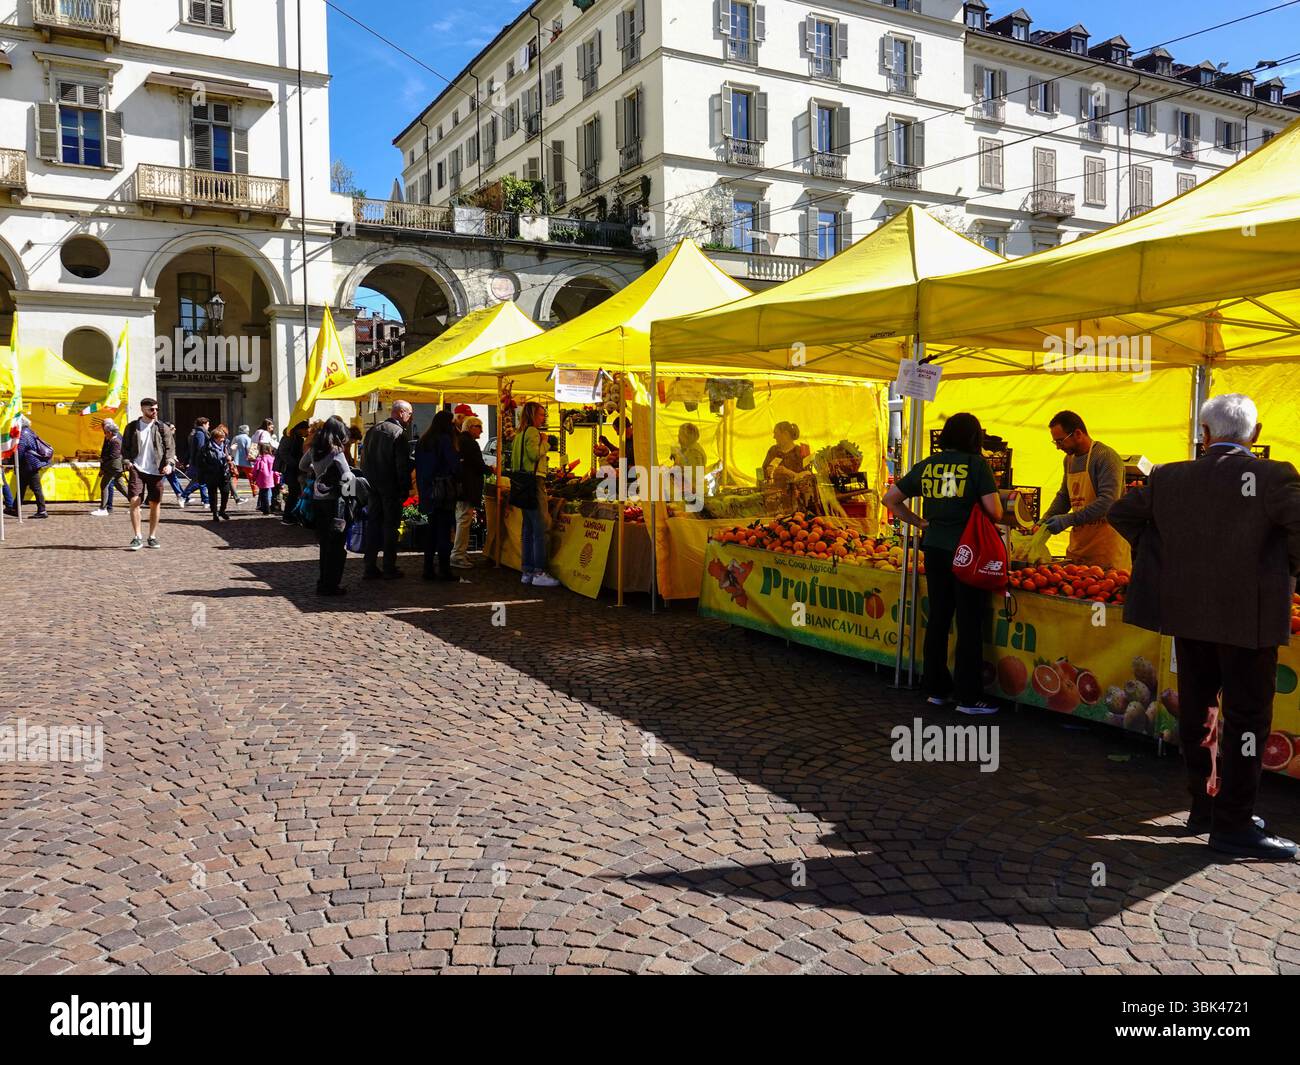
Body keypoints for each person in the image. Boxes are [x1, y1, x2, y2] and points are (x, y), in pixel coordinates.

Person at [1109, 394, 1300, 860]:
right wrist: (1285, 570)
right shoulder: (1274, 475)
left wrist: (1161, 555)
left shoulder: (1169, 476)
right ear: (1255, 436)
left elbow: (1121, 513)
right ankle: (1232, 821)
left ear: (1205, 434)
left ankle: (1205, 806)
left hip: (1188, 613)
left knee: (1199, 710)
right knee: (1247, 718)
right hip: (1248, 619)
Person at [884, 412, 1004, 716]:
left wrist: (921, 523)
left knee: (938, 617)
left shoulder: (928, 465)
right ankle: (968, 697)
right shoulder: (977, 465)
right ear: (974, 438)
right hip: (969, 552)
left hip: (935, 548)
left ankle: (936, 689)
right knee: (968, 621)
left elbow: (891, 499)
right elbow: (996, 511)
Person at [1041, 410, 1131, 571]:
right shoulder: (1069, 459)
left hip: (1106, 549)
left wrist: (1067, 520)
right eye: (1056, 443)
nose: (1058, 447)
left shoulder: (1105, 457)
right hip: (1079, 547)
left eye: (1061, 441)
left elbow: (1107, 503)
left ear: (1077, 433)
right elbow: (1064, 496)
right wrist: (1045, 520)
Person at [300, 415, 356, 597]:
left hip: (318, 500)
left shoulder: (315, 449)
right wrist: (353, 494)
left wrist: (318, 474)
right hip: (334, 502)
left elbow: (302, 465)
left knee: (324, 544)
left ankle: (322, 582)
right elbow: (348, 476)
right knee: (337, 544)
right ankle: (332, 584)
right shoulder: (336, 451)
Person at [361, 400, 414, 579]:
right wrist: (405, 487)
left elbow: (364, 459)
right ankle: (389, 566)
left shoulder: (373, 430)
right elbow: (402, 466)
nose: (410, 417)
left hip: (372, 485)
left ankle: (370, 565)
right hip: (390, 487)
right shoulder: (398, 433)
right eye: (409, 413)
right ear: (400, 413)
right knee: (390, 526)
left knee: (374, 525)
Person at [511, 401, 560, 587]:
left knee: (528, 528)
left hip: (521, 483)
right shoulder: (532, 432)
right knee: (541, 528)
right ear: (532, 415)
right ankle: (539, 571)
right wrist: (545, 443)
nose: (543, 418)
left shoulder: (519, 434)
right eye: (541, 414)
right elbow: (533, 455)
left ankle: (527, 570)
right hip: (534, 482)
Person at [121, 397, 177, 550]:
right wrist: (127, 462)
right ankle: (137, 536)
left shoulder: (162, 427)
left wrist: (169, 464)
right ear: (142, 409)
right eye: (151, 409)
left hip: (157, 470)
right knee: (134, 501)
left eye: (156, 409)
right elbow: (124, 447)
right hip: (137, 469)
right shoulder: (132, 427)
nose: (155, 412)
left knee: (155, 503)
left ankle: (152, 536)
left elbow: (170, 448)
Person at [416, 410, 462, 581]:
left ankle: (428, 568)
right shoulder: (444, 440)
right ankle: (444, 569)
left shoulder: (424, 440)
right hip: (443, 492)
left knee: (432, 531)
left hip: (428, 491)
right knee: (443, 531)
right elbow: (453, 465)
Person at [451, 416, 488, 569]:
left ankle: (460, 552)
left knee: (462, 519)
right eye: (479, 426)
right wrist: (490, 469)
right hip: (467, 488)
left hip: (461, 488)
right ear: (471, 427)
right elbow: (478, 465)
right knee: (464, 520)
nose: (481, 430)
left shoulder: (460, 441)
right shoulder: (470, 443)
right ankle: (458, 555)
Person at [8, 416, 53, 519]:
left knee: (35, 488)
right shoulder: (29, 431)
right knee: (21, 487)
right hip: (30, 464)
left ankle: (42, 510)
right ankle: (15, 509)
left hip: (28, 464)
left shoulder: (23, 433)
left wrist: (15, 463)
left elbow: (20, 450)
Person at [91, 420, 129, 516]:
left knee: (104, 485)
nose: (104, 434)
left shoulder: (115, 441)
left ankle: (103, 509)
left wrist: (103, 461)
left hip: (113, 467)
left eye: (106, 432)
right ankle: (135, 503)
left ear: (110, 432)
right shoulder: (112, 440)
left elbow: (114, 455)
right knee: (121, 486)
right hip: (114, 467)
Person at [276, 421, 309, 525]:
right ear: (300, 429)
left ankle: (291, 515)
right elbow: (283, 453)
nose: (307, 432)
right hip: (290, 469)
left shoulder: (297, 438)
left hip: (294, 468)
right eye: (305, 430)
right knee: (293, 492)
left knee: (295, 492)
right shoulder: (289, 437)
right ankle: (287, 516)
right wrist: (296, 463)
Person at [200, 424, 235, 521]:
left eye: (223, 438)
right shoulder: (207, 448)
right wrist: (209, 469)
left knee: (225, 492)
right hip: (212, 474)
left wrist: (230, 458)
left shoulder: (225, 446)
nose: (223, 440)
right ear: (215, 438)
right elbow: (202, 462)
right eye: (221, 438)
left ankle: (222, 510)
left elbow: (230, 457)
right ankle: (215, 513)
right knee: (213, 495)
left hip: (224, 473)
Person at [179, 417, 211, 508]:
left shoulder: (194, 433)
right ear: (204, 424)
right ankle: (183, 496)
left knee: (201, 481)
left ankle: (206, 501)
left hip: (197, 461)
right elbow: (200, 448)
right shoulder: (200, 434)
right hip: (200, 461)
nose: (209, 426)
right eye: (208, 424)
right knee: (200, 481)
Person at [252, 443, 278, 514]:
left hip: (262, 478)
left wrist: (254, 478)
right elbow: (275, 470)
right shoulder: (272, 458)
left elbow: (255, 470)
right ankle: (268, 508)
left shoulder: (260, 459)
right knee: (268, 493)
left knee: (264, 495)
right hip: (270, 478)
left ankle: (266, 510)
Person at [230, 424, 255, 502]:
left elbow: (232, 448)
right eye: (248, 430)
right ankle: (255, 492)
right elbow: (248, 450)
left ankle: (232, 493)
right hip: (246, 461)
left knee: (234, 476)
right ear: (246, 431)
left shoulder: (235, 438)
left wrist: (233, 456)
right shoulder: (248, 439)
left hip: (236, 461)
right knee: (251, 477)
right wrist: (252, 459)